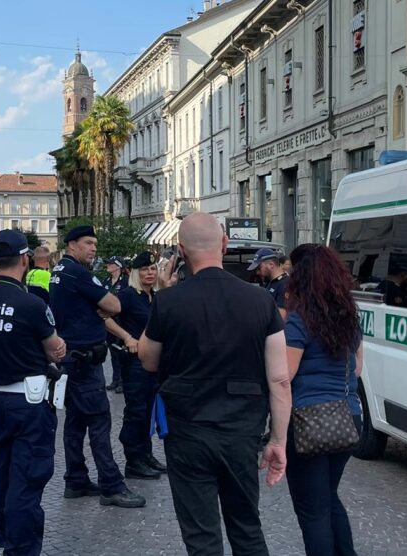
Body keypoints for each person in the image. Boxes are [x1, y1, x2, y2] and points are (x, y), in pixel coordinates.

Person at [138, 213, 293, 556]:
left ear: (180, 251)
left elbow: (148, 359)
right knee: (247, 530)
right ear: (224, 244)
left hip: (187, 433)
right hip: (241, 431)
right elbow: (280, 380)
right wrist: (278, 441)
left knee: (201, 538)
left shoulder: (168, 302)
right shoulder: (260, 300)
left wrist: (164, 296)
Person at [0, 230, 67, 556]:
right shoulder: (32, 304)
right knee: (27, 478)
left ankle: (6, 533)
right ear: (25, 260)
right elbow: (54, 349)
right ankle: (21, 548)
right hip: (30, 403)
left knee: (2, 474)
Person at [49, 225, 145, 508]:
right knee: (99, 421)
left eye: (95, 244)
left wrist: (96, 306)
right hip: (83, 360)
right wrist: (100, 305)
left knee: (76, 422)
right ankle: (111, 485)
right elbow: (115, 306)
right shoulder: (77, 273)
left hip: (72, 358)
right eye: (88, 243)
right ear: (72, 245)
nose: (93, 248)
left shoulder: (59, 271)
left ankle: (75, 479)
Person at [282, 244, 364, 556]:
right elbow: (356, 368)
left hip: (309, 421)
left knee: (313, 511)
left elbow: (285, 375)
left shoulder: (300, 321)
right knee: (329, 497)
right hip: (348, 416)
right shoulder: (349, 318)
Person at [104, 252, 167, 480]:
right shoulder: (128, 296)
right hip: (134, 363)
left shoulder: (154, 297)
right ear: (135, 273)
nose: (150, 273)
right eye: (144, 269)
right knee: (136, 411)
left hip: (154, 364)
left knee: (148, 410)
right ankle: (133, 461)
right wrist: (127, 338)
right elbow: (104, 315)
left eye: (152, 269)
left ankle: (145, 454)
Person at [103, 256, 128, 393]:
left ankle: (123, 381)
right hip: (109, 321)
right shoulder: (106, 281)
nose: (107, 265)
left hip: (121, 321)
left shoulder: (125, 281)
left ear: (118, 266)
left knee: (121, 352)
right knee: (113, 352)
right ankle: (115, 379)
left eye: (110, 264)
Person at [248, 247, 289, 318]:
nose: (257, 272)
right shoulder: (270, 283)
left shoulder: (284, 284)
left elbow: (281, 317)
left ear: (271, 265)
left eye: (259, 268)